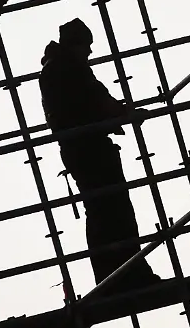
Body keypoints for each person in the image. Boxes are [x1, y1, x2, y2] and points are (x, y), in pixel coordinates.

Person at [39, 18, 160, 293]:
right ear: (77, 44)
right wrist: (124, 114)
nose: (90, 52)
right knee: (115, 212)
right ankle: (128, 273)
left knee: (101, 212)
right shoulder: (70, 68)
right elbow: (96, 101)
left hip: (78, 149)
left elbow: (87, 104)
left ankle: (112, 277)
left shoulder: (55, 69)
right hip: (91, 148)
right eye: (87, 45)